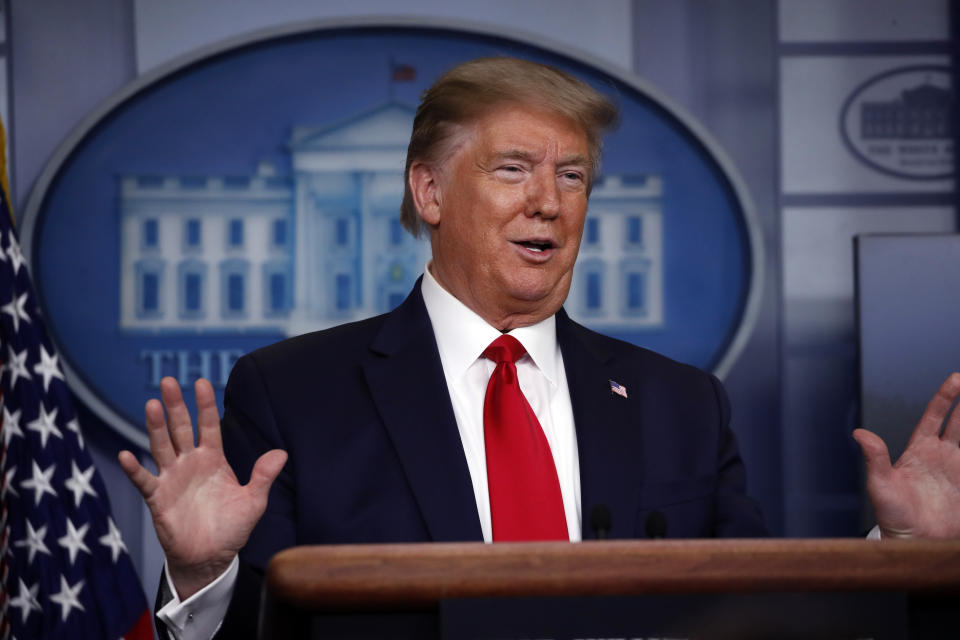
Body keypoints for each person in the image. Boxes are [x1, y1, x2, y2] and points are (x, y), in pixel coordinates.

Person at [118, 57, 960, 640]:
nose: (549, 204)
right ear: (430, 191)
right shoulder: (294, 393)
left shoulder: (681, 404)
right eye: (514, 169)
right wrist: (200, 578)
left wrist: (907, 559)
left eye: (573, 176)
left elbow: (756, 617)